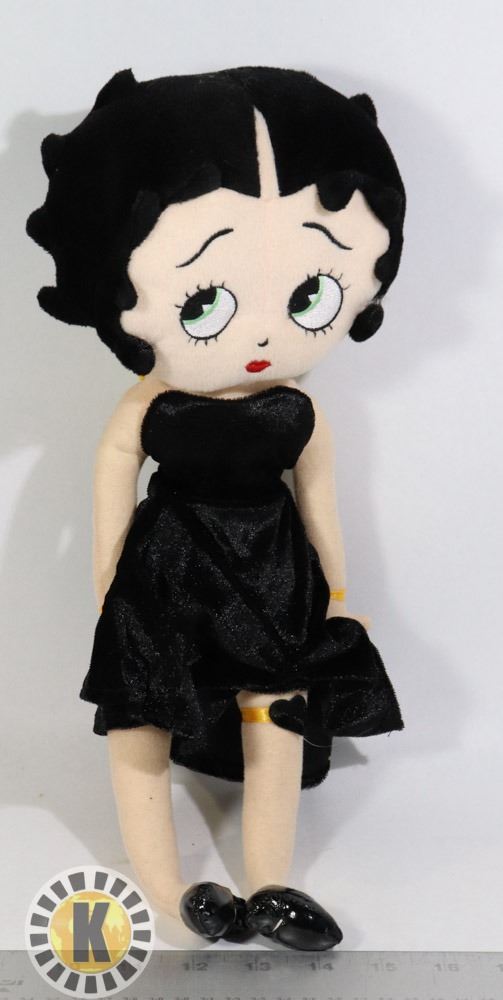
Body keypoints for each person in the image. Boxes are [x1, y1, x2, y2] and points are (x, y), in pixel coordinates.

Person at [27, 65, 406, 951]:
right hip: (167, 568)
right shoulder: (150, 404)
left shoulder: (299, 408)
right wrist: (107, 578)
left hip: (271, 570)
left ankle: (269, 881)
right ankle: (170, 887)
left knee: (278, 709)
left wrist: (335, 595)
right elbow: (113, 473)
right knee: (140, 711)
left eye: (311, 294)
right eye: (204, 302)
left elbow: (319, 499)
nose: (266, 337)